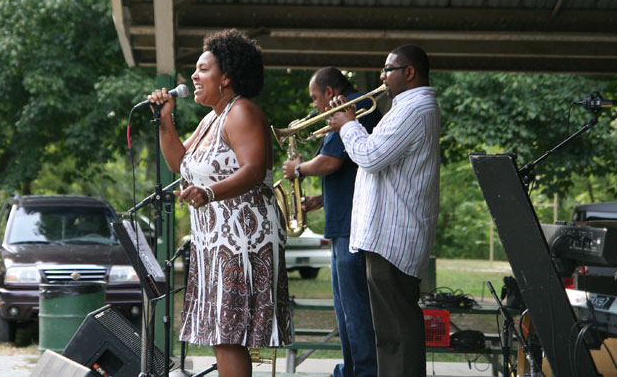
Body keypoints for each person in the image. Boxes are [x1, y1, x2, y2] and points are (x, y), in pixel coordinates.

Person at [146, 29, 293, 377]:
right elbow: (178, 163)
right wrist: (166, 120)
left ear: (226, 77)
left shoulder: (242, 112)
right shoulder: (212, 118)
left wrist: (209, 193)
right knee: (222, 335)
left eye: (203, 69)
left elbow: (254, 170)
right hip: (215, 241)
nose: (194, 77)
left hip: (243, 242)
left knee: (230, 336)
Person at [326, 45, 440, 377]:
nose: (382, 77)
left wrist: (348, 124)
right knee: (389, 334)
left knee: (396, 333)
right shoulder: (406, 108)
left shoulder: (413, 110)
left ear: (409, 72)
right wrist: (348, 125)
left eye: (388, 70)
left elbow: (371, 156)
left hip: (394, 236)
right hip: (388, 234)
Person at [281, 67, 381, 377]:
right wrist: (320, 200)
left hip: (353, 228)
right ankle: (352, 369)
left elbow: (331, 162)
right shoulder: (346, 112)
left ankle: (362, 372)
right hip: (343, 224)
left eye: (314, 98)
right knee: (345, 310)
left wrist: (298, 170)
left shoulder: (351, 109)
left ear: (328, 92)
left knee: (355, 310)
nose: (315, 107)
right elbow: (349, 172)